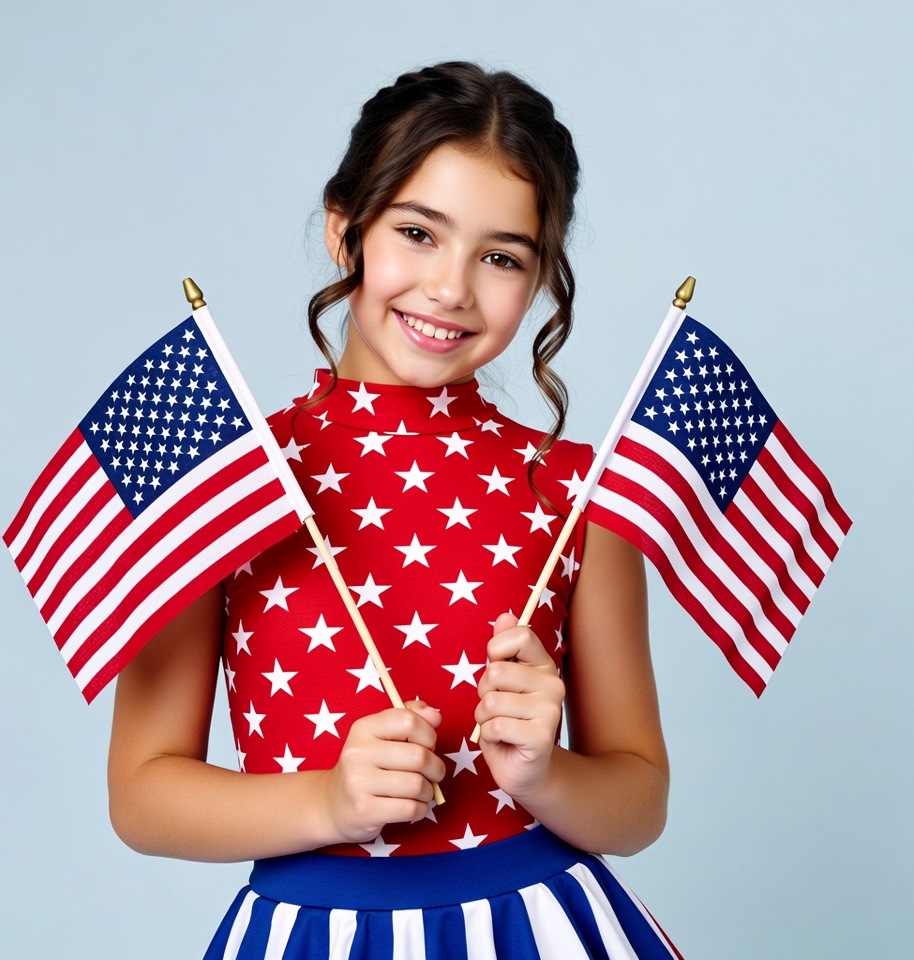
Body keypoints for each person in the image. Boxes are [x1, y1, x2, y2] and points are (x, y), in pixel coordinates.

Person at [108, 61, 678, 959]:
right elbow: (141, 794)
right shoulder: (223, 477)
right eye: (418, 233)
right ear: (347, 230)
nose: (451, 288)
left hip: (544, 925)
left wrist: (545, 774)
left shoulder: (581, 494)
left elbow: (639, 799)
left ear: (538, 283)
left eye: (500, 257)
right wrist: (325, 802)